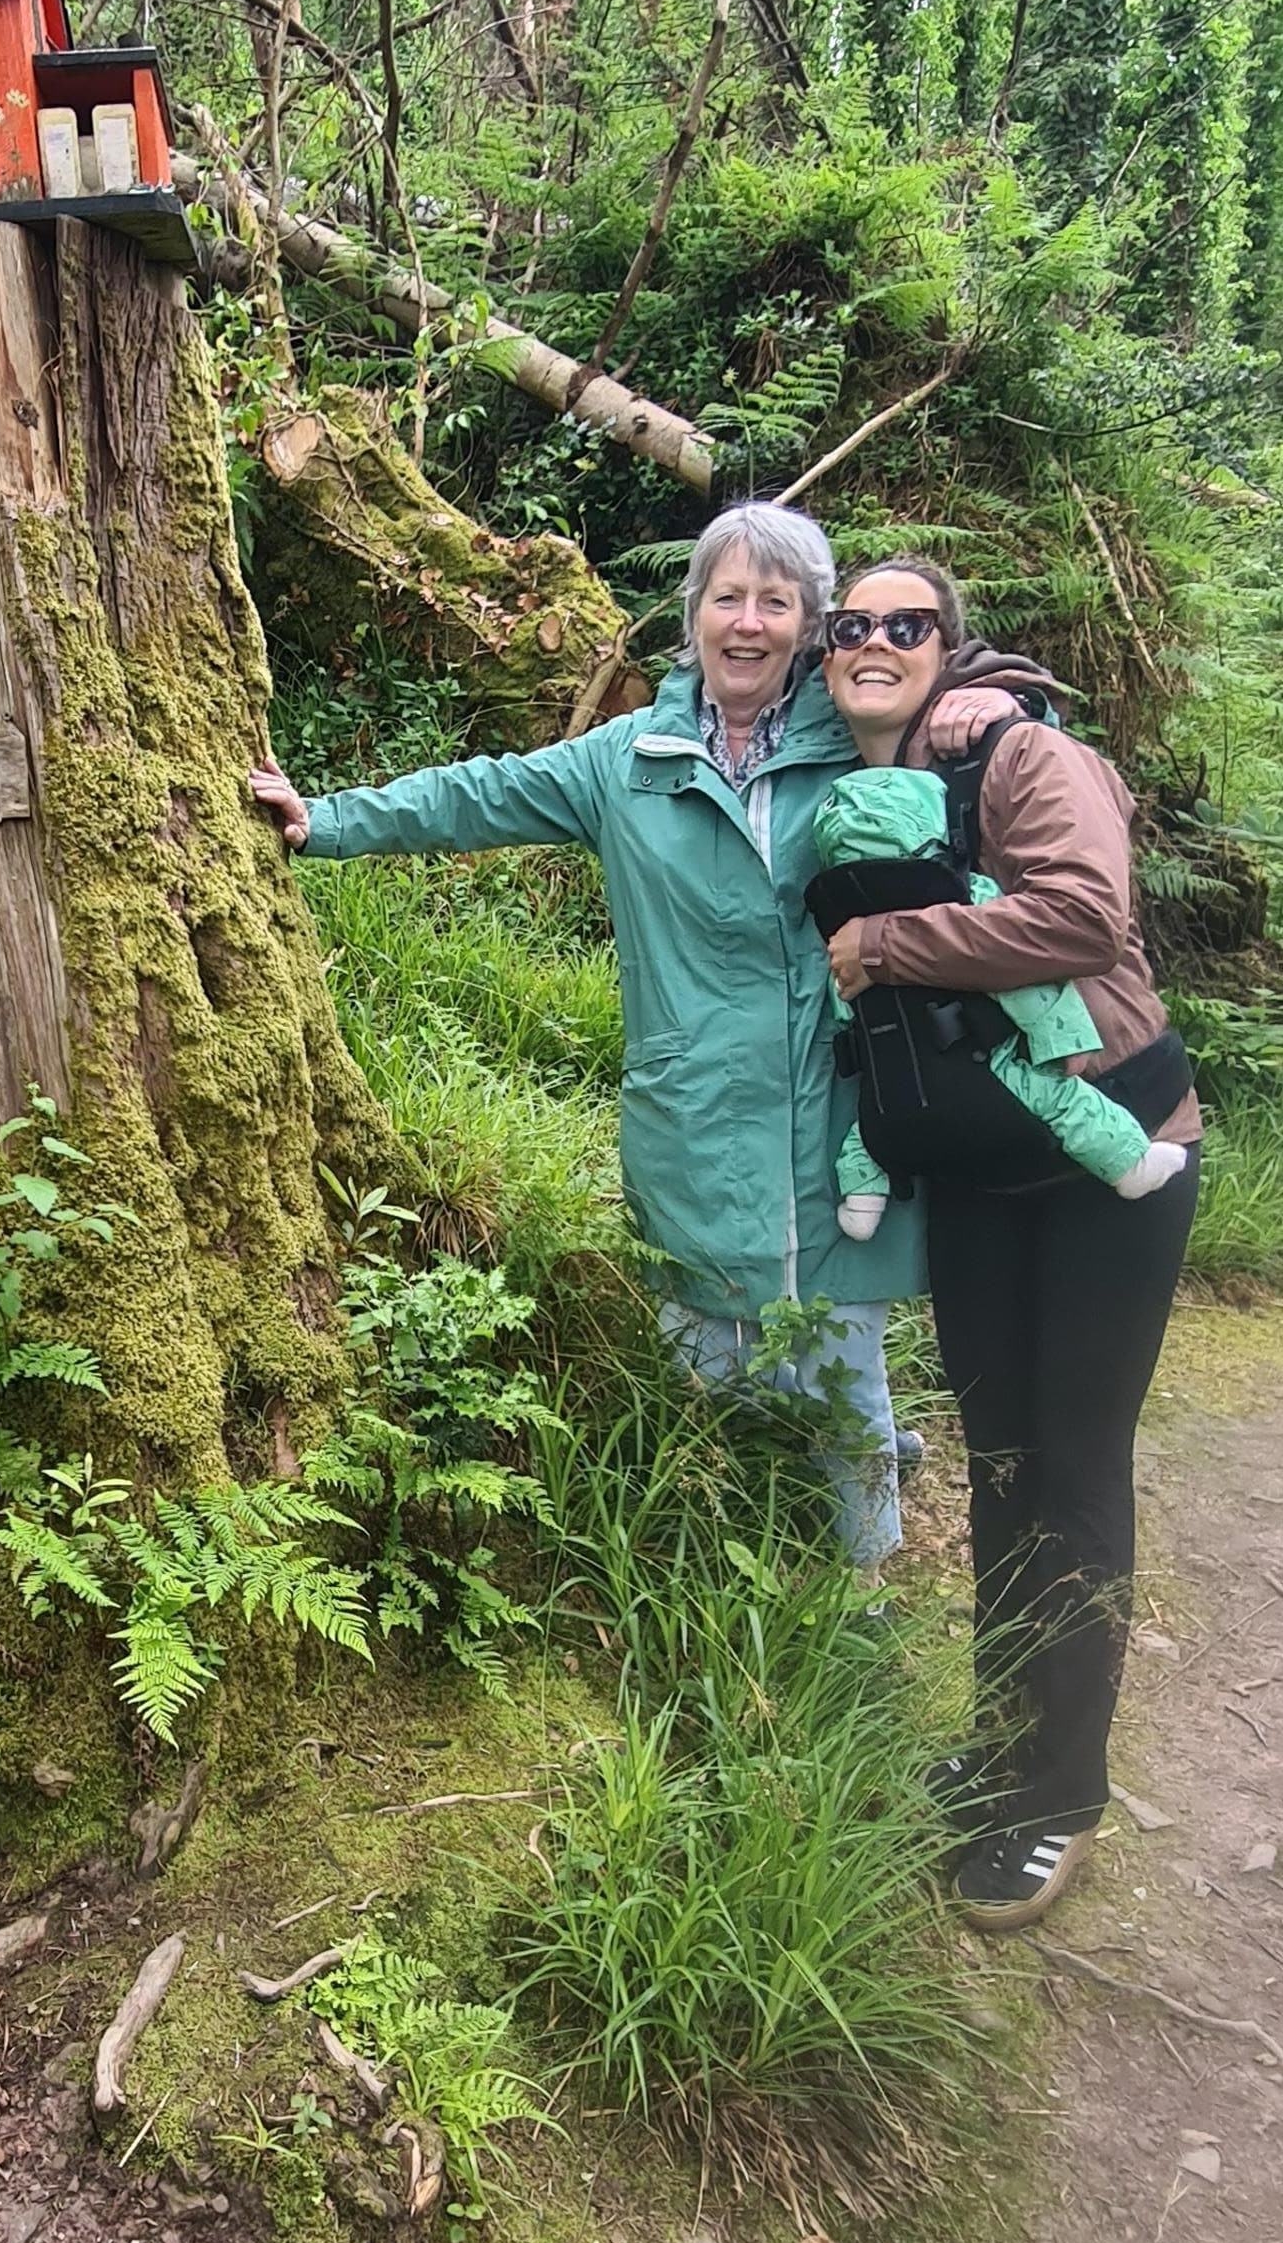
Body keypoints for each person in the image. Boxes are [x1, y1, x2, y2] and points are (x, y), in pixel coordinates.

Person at [250, 498, 929, 1566]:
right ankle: (714, 1571)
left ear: (808, 626)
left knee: (844, 1363)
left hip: (834, 1106)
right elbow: (476, 797)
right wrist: (326, 818)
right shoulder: (628, 758)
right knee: (706, 1364)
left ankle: (866, 1591)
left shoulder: (864, 745)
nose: (745, 623)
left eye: (775, 601)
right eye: (726, 597)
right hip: (693, 1104)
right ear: (692, 612)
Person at [819, 557, 1199, 1932]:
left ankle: (1063, 1799)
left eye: (904, 624)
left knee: (1079, 1467)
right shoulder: (866, 776)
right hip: (982, 1173)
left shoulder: (1025, 753)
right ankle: (999, 1748)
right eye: (847, 626)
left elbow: (1089, 917)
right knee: (1001, 1465)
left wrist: (884, 942)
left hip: (1114, 1164)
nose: (873, 639)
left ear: (950, 648)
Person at [808, 765, 1191, 1233]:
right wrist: (1064, 1041)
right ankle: (1130, 1164)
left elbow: (844, 1005)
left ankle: (863, 1198)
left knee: (869, 1129)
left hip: (897, 1086)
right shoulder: (971, 897)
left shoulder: (842, 934)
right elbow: (1022, 978)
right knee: (1060, 1098)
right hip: (990, 1072)